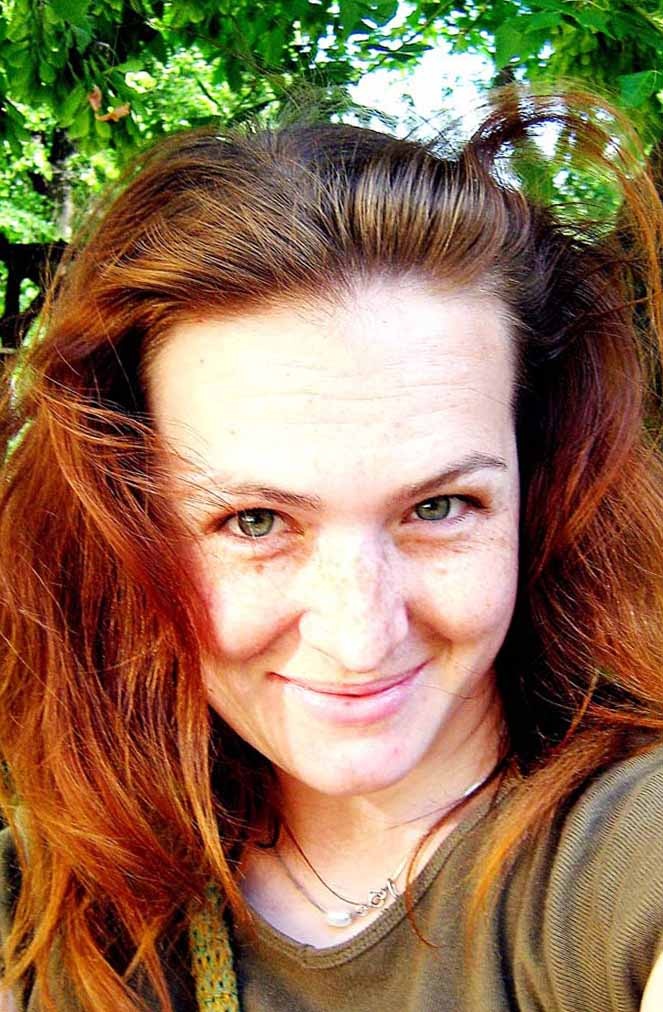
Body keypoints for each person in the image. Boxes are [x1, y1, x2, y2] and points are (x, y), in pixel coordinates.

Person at [1, 87, 663, 1012]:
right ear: (128, 526)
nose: (360, 639)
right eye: (255, 522)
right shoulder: (50, 905)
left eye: (438, 506)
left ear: (539, 489)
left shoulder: (627, 856)